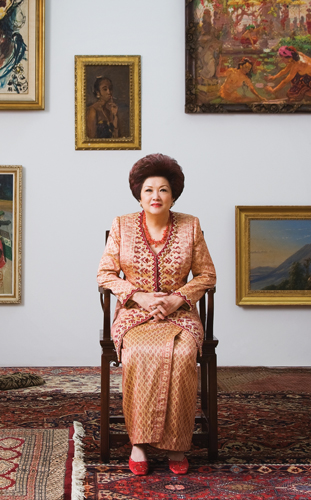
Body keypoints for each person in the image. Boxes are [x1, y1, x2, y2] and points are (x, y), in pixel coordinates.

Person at [97, 154, 216, 476]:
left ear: (173, 195)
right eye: (149, 190)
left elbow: (206, 276)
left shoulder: (190, 225)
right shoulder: (121, 225)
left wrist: (178, 299)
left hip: (180, 315)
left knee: (182, 354)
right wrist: (139, 296)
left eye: (163, 190)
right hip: (135, 314)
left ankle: (177, 444)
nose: (156, 196)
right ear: (139, 194)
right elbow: (105, 275)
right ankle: (139, 443)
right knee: (138, 353)